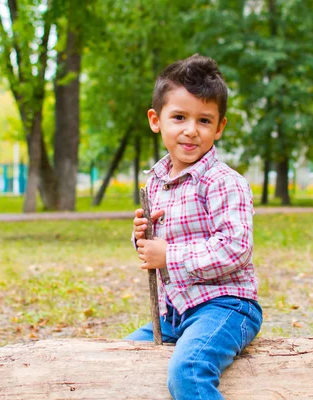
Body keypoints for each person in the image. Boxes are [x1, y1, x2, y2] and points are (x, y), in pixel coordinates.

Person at [127, 54, 262, 400]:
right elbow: (157, 248)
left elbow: (235, 247)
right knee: (125, 358)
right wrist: (143, 238)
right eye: (179, 117)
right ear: (156, 120)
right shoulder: (156, 180)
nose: (191, 130)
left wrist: (169, 254)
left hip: (227, 307)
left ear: (219, 127)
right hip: (174, 312)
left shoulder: (223, 182)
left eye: (204, 120)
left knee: (188, 371)